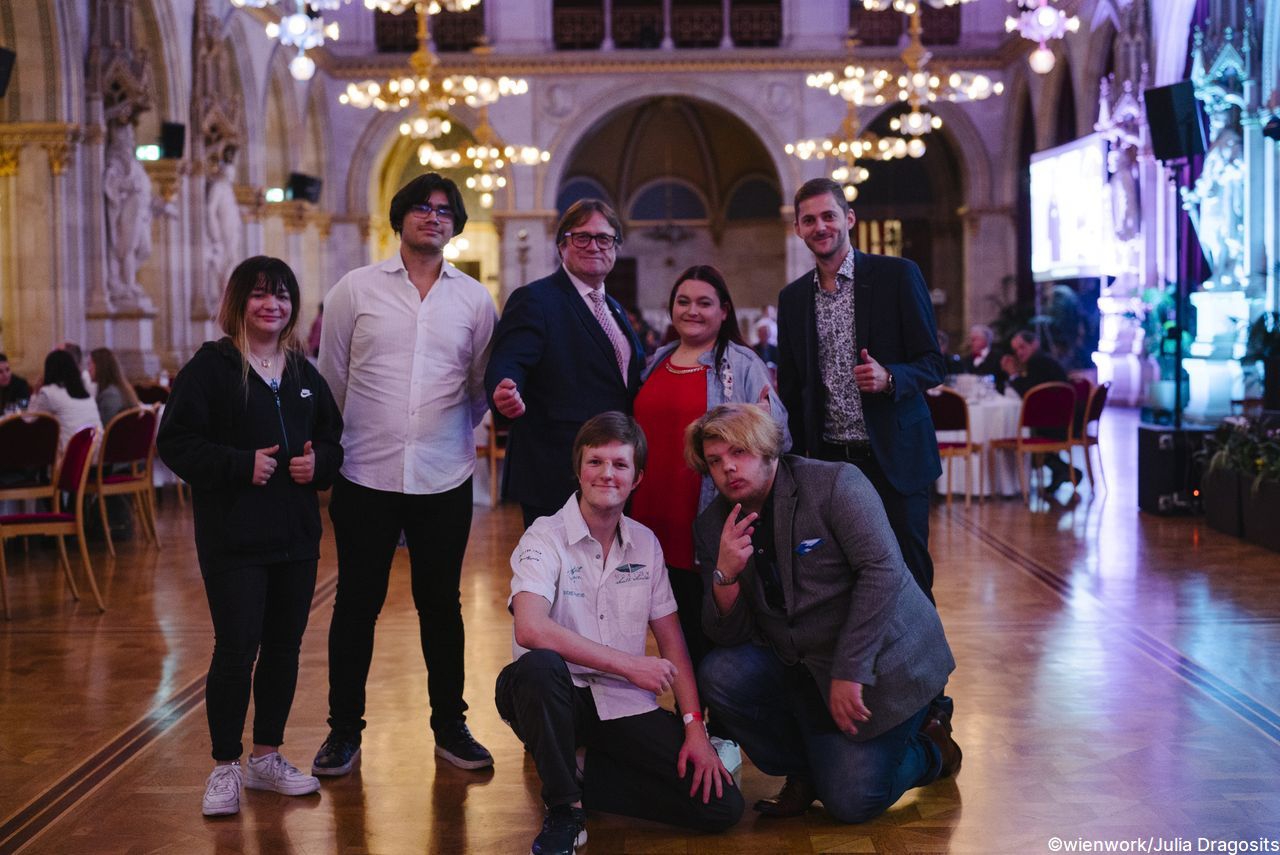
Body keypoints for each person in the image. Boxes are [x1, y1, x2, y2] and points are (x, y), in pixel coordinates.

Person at [686, 403, 960, 823]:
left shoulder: (834, 484)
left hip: (884, 661)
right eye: (715, 461)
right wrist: (725, 576)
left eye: (738, 452)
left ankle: (932, 746)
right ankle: (806, 771)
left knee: (852, 801)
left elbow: (882, 572)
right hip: (802, 662)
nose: (728, 469)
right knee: (721, 674)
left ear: (767, 450)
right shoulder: (713, 527)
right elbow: (728, 635)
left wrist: (850, 669)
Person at [315, 173, 497, 777]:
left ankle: (450, 725)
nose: (433, 217)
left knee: (441, 605)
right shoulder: (354, 290)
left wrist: (440, 436)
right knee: (356, 604)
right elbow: (330, 381)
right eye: (421, 207)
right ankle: (343, 731)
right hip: (365, 470)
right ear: (400, 218)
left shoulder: (474, 300)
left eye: (445, 210)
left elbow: (476, 388)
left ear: (455, 224)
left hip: (443, 474)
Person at [496, 412, 743, 855]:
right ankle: (566, 809)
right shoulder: (544, 536)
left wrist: (695, 730)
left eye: (620, 464)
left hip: (621, 704)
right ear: (578, 469)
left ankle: (583, 771)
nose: (606, 474)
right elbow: (530, 628)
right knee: (539, 667)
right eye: (595, 462)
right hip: (556, 696)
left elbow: (674, 645)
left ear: (638, 478)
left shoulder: (646, 543)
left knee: (720, 807)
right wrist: (629, 664)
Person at [156, 256, 344, 817]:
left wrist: (322, 466)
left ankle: (267, 758)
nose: (273, 304)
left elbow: (333, 439)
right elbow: (175, 442)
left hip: (295, 536)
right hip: (234, 539)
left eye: (282, 295)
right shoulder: (211, 368)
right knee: (237, 651)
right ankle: (224, 767)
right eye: (260, 294)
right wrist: (239, 465)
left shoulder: (302, 372)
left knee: (284, 651)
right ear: (238, 302)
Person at [776, 177, 946, 603]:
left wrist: (890, 378)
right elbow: (795, 390)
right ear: (798, 229)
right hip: (833, 464)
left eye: (829, 216)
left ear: (848, 219)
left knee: (909, 572)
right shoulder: (793, 299)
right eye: (809, 220)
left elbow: (933, 363)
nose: (820, 227)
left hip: (895, 457)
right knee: (847, 577)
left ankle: (918, 668)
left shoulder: (897, 276)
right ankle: (860, 670)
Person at [630, 264, 788, 669]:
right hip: (650, 516)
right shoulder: (657, 360)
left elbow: (779, 438)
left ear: (724, 311)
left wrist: (761, 423)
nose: (692, 311)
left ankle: (713, 722)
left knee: (706, 635)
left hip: (703, 516)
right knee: (663, 626)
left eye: (704, 303)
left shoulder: (741, 363)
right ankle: (682, 715)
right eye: (683, 302)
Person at [486, 199, 644, 528]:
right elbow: (508, 362)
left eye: (604, 238)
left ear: (615, 247)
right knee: (557, 577)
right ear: (562, 246)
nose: (594, 246)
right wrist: (504, 389)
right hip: (555, 470)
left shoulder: (614, 308)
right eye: (581, 237)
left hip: (610, 473)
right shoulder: (536, 299)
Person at [1000, 329, 1078, 492]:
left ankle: (1066, 471)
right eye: (1016, 350)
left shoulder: (1038, 362)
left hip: (1054, 423)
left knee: (1020, 435)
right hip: (1063, 419)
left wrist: (1013, 374)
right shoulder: (1043, 360)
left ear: (1034, 344)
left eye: (1022, 347)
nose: (1019, 353)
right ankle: (1063, 471)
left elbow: (1028, 393)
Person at [29, 349, 103, 456]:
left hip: (71, 462)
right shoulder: (87, 396)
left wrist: (35, 394)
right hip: (97, 458)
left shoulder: (49, 392)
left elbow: (31, 422)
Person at [89, 347, 142, 425]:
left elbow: (104, 428)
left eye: (90, 364)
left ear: (100, 367)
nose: (88, 369)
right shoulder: (123, 389)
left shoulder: (109, 396)